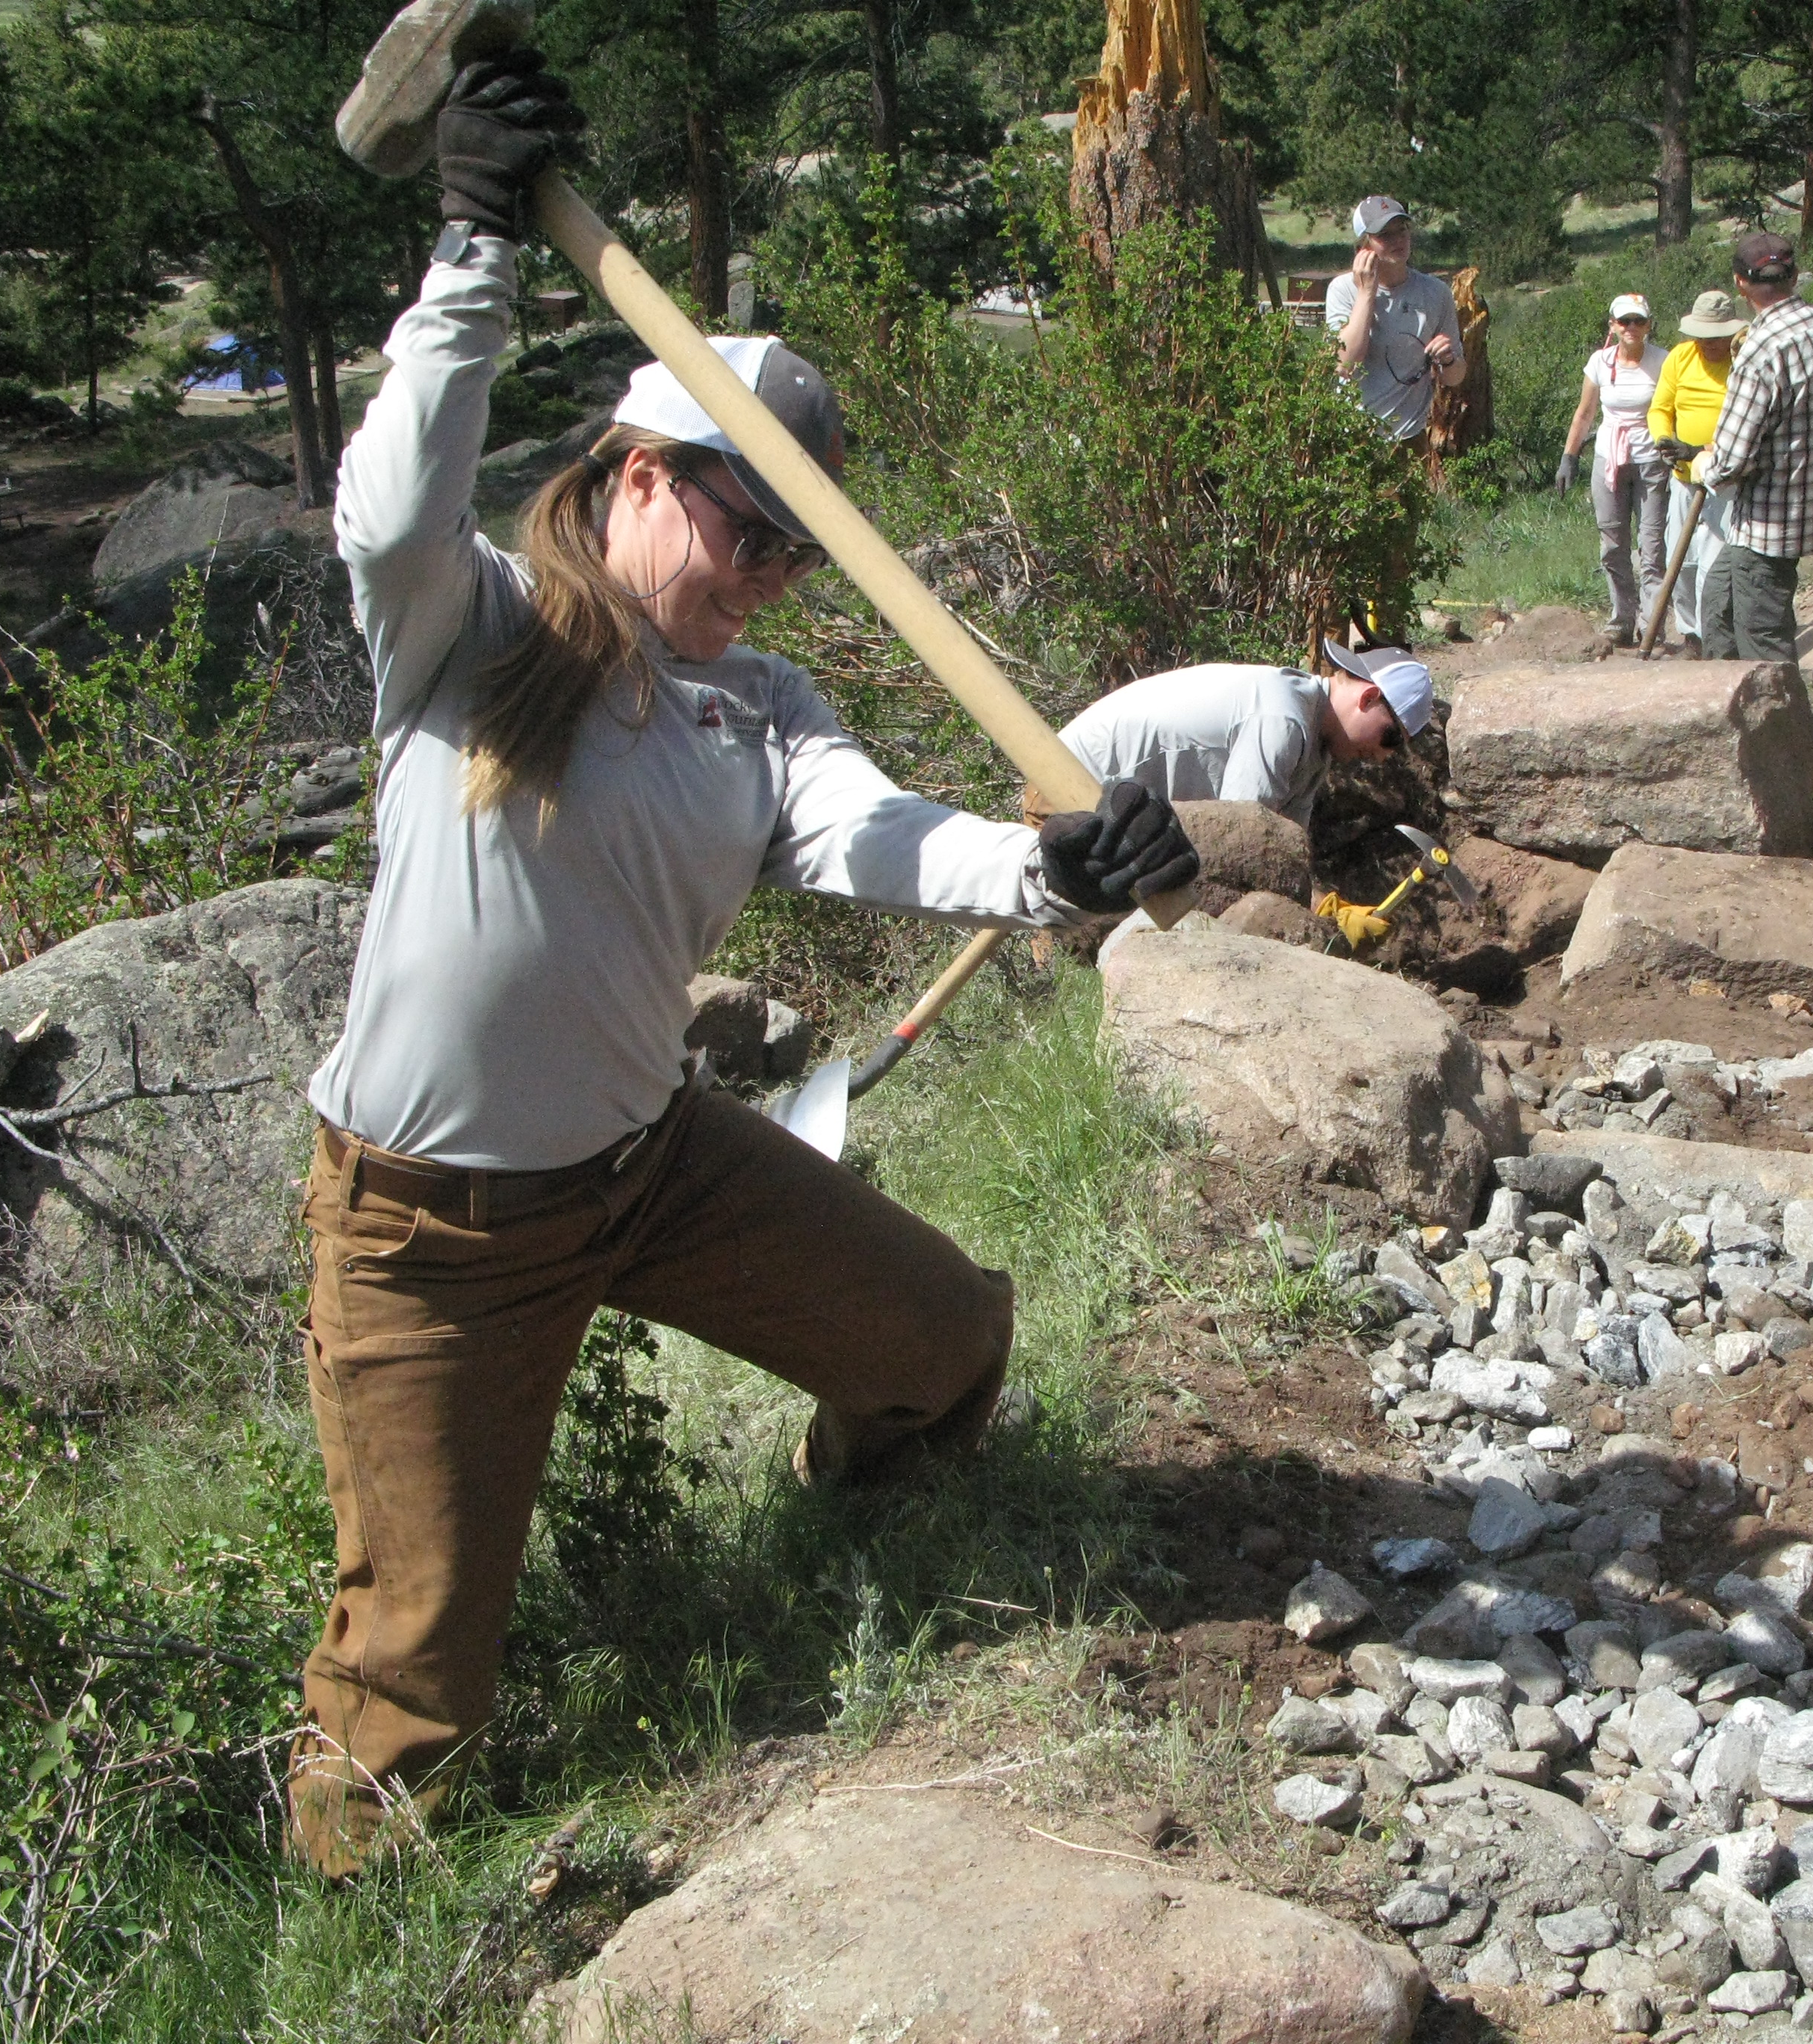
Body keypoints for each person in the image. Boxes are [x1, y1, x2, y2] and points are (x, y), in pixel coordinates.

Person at [286, 49, 1197, 1877]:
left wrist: (1045, 864)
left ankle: (848, 1522)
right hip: (432, 1231)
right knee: (409, 1694)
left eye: (794, 548)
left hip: (650, 1166)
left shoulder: (762, 707)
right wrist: (471, 250)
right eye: (738, 521)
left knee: (945, 1343)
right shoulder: (470, 632)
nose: (764, 572)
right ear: (636, 471)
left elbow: (871, 832)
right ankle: (346, 1921)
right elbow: (386, 508)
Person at [1044, 642, 1437, 946]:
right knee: (1079, 942)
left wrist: (1329, 912)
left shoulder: (1315, 746)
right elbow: (1241, 853)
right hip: (1065, 791)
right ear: (1368, 698)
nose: (1386, 758)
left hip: (1116, 813)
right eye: (1391, 738)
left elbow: (1281, 857)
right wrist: (1317, 920)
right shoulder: (1282, 720)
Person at [1692, 231, 1813, 666]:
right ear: (1795, 275)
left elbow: (1730, 463)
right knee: (1719, 603)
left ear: (1740, 283)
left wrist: (1703, 463)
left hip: (1769, 521)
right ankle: (1722, 709)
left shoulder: (1762, 350)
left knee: (1763, 640)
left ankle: (1783, 730)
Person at [1555, 294, 1671, 646]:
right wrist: (1569, 457)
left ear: (1649, 325)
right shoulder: (1600, 363)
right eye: (1625, 322)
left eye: (1639, 321)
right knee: (1612, 544)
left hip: (1651, 458)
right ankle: (1622, 618)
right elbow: (1585, 413)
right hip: (1610, 458)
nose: (1632, 328)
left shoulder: (1664, 361)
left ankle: (1652, 625)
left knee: (1652, 548)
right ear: (1613, 326)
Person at [1649, 289, 1750, 648]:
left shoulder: (1744, 363)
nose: (1708, 343)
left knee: (1713, 565)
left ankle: (1717, 639)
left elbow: (1748, 427)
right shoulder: (1680, 357)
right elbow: (1660, 408)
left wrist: (1701, 450)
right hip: (1683, 477)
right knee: (1682, 564)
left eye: (1716, 337)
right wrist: (1664, 440)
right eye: (1702, 336)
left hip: (1724, 479)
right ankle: (1691, 634)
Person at [1324, 196, 1467, 450]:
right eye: (1385, 235)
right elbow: (1346, 363)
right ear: (1363, 247)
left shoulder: (1435, 292)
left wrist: (1447, 360)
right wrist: (1367, 292)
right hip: (1354, 436)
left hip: (1410, 437)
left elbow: (1455, 377)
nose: (1398, 241)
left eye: (1402, 230)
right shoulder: (1343, 290)